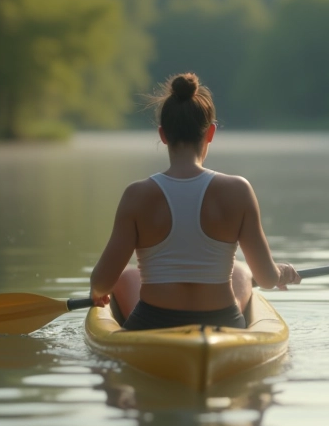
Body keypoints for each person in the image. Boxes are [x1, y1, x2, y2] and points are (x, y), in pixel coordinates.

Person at [89, 72, 301, 331]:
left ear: (163, 134)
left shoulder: (137, 195)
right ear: (210, 132)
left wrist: (97, 290)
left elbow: (101, 282)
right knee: (241, 270)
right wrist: (282, 271)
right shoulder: (238, 190)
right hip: (223, 322)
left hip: (151, 323)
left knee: (125, 276)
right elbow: (267, 279)